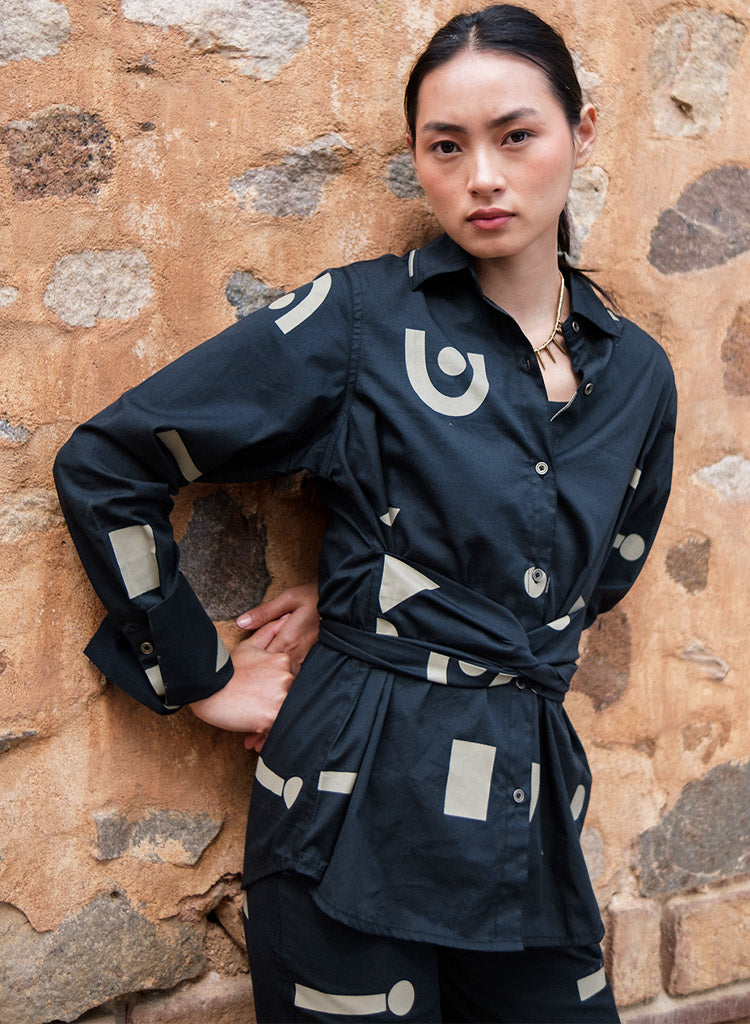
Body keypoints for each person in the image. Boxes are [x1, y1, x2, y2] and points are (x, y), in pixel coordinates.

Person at [54, 4, 677, 1021]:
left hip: (523, 814)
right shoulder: (360, 322)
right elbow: (111, 460)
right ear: (418, 160)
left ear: (583, 132)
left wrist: (389, 590)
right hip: (348, 800)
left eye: (516, 135)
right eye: (447, 146)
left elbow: (591, 579)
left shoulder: (639, 376)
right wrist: (202, 674)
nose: (483, 175)